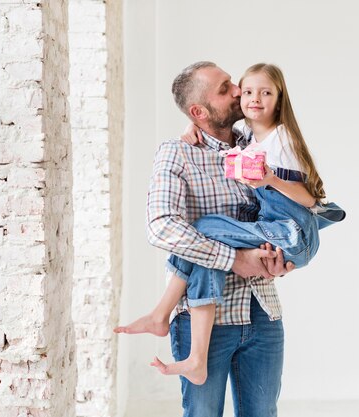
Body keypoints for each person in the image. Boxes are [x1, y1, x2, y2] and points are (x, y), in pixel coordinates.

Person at [116, 61, 294, 417]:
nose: (238, 91)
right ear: (199, 111)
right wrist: (233, 260)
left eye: (233, 83)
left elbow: (281, 212)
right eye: (225, 88)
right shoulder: (178, 153)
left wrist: (282, 256)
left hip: (262, 310)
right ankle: (162, 315)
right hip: (203, 318)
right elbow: (161, 226)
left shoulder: (261, 144)